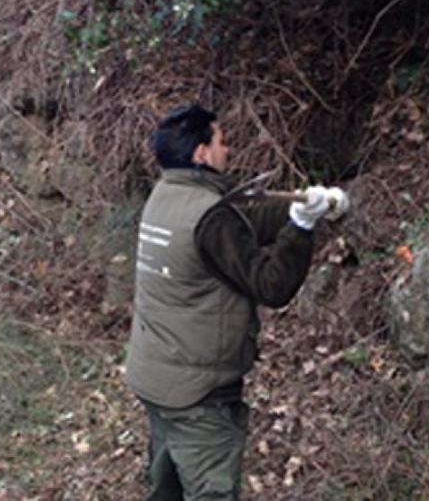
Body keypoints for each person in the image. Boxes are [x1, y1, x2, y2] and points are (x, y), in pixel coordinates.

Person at [124, 104, 349, 500]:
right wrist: (301, 227)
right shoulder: (209, 217)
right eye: (221, 142)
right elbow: (271, 284)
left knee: (166, 490)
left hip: (156, 377)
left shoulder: (165, 196)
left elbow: (240, 221)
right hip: (198, 394)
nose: (228, 151)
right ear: (201, 154)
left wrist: (302, 205)